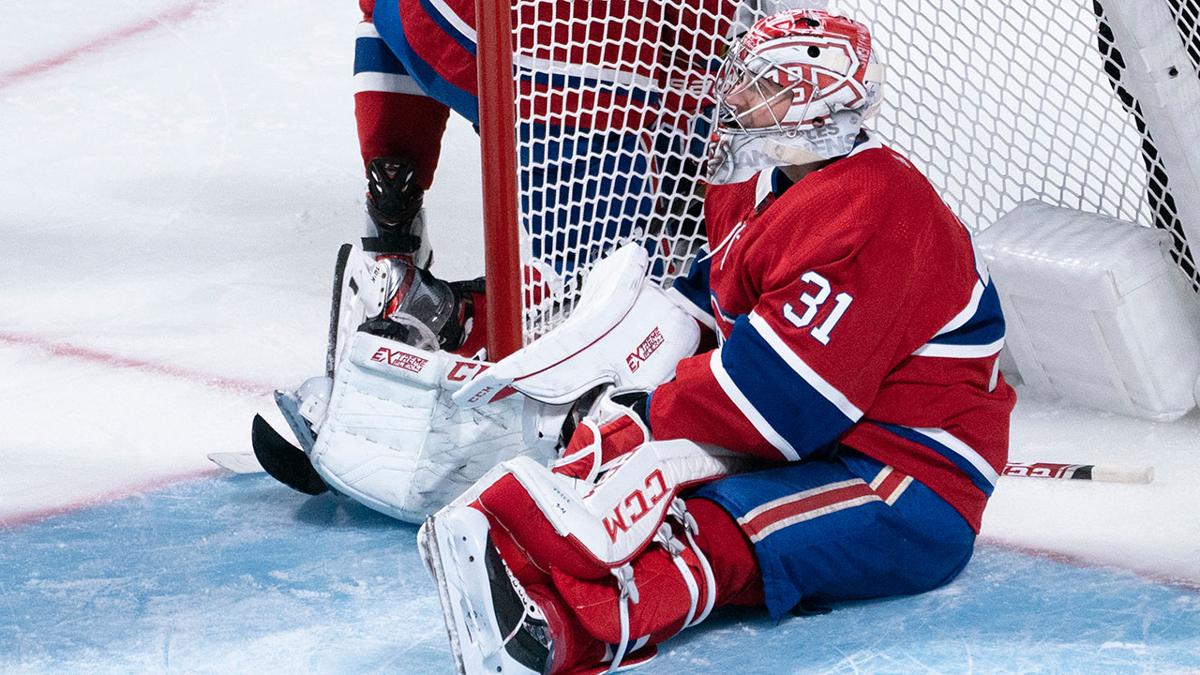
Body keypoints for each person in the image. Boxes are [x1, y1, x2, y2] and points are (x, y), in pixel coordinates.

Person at [419, 9, 1016, 674]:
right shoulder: (761, 184)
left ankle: (568, 632)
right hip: (824, 441)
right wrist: (607, 383)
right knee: (636, 473)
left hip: (907, 481)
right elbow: (712, 301)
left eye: (758, 86)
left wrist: (645, 417)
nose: (733, 98)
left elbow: (780, 403)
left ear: (808, 102)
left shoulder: (877, 211)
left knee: (715, 523)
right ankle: (537, 560)